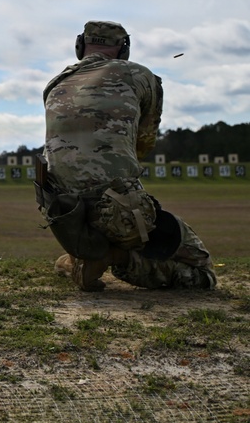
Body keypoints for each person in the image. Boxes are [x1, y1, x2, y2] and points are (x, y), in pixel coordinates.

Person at [38, 20, 216, 291]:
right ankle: (115, 256)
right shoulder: (138, 75)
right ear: (124, 49)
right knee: (202, 273)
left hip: (66, 216)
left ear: (80, 46)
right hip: (120, 212)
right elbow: (143, 143)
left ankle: (82, 257)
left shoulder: (54, 85)